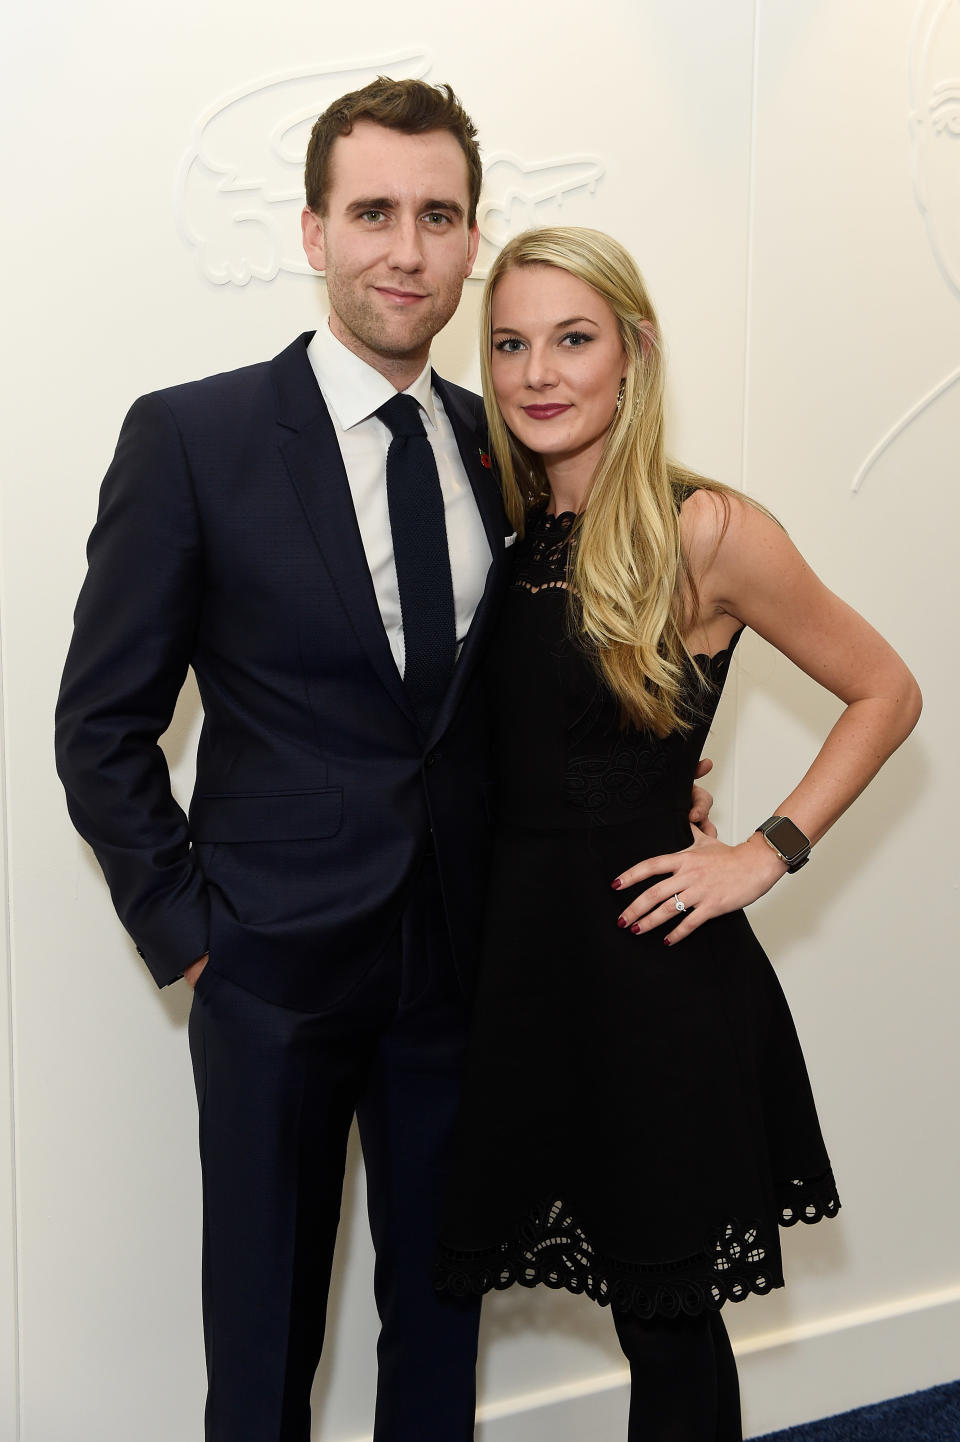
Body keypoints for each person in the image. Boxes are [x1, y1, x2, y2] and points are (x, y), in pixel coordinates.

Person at [53, 77, 717, 1440]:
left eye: (437, 215)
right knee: (262, 1340)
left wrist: (643, 778)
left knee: (439, 1317)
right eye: (372, 213)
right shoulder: (193, 437)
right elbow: (100, 723)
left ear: (474, 242)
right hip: (267, 972)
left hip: (469, 967)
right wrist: (192, 938)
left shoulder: (515, 438)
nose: (404, 249)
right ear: (312, 231)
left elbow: (531, 683)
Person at [434, 226, 922, 1442]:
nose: (540, 371)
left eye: (573, 339)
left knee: (666, 1314)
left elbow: (888, 689)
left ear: (634, 355)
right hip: (526, 975)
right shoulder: (510, 525)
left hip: (650, 980)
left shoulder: (704, 527)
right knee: (634, 1306)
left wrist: (764, 848)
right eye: (510, 344)